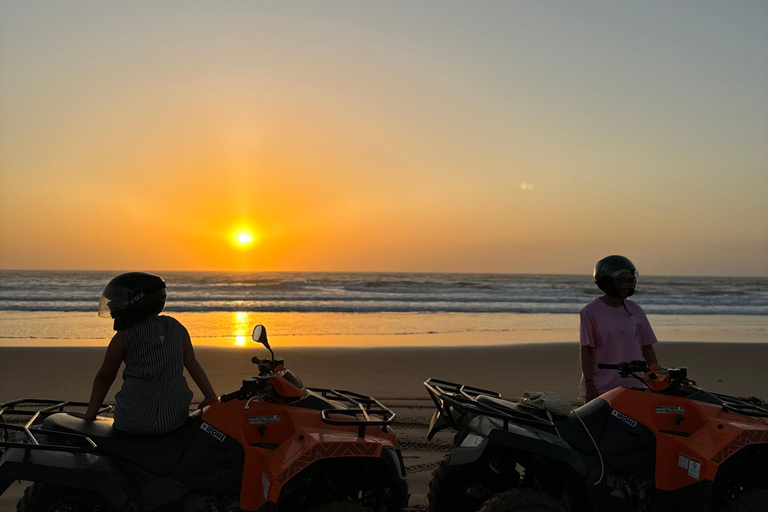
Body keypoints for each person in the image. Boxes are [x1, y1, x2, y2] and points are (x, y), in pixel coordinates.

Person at [73, 272, 217, 434]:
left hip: (133, 421)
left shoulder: (124, 336)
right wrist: (210, 395)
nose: (112, 304)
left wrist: (91, 414)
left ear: (135, 300)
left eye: (116, 299)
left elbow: (105, 376)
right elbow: (191, 363)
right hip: (174, 420)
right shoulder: (177, 328)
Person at [580, 255, 658, 403]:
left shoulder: (635, 310)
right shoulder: (590, 312)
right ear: (607, 281)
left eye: (630, 280)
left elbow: (646, 346)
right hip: (602, 387)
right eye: (621, 280)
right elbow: (586, 350)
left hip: (636, 384)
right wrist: (589, 384)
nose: (626, 285)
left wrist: (657, 375)